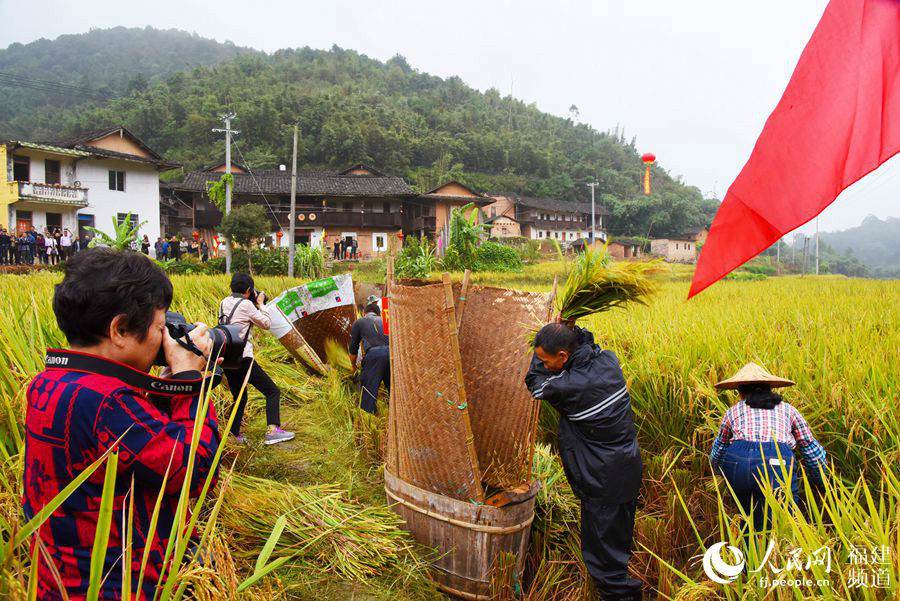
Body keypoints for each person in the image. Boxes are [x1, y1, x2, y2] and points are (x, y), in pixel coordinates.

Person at [22, 248, 220, 600]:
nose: (164, 339)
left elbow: (137, 451)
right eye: (161, 328)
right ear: (120, 329)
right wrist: (191, 377)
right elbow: (194, 470)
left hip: (58, 582)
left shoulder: (48, 383)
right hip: (120, 585)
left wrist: (163, 387)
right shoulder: (108, 400)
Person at [526, 323, 643, 601]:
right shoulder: (608, 360)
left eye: (546, 359)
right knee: (616, 537)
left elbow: (536, 384)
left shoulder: (572, 386)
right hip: (625, 466)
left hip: (602, 477)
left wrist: (545, 336)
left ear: (564, 356)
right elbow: (587, 342)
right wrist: (567, 329)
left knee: (603, 555)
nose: (544, 364)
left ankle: (623, 596)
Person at [710, 363, 827, 532]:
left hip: (737, 462)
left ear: (740, 392)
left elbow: (719, 449)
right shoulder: (789, 410)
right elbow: (809, 448)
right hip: (775, 460)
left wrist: (719, 472)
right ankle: (777, 555)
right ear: (769, 389)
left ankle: (751, 554)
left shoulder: (732, 411)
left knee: (747, 517)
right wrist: (822, 480)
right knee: (782, 523)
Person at [219, 273, 294, 445]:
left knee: (239, 397)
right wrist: (260, 304)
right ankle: (273, 430)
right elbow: (266, 324)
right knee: (272, 391)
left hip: (228, 358)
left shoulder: (224, 302)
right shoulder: (247, 304)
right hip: (244, 358)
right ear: (248, 290)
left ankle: (233, 435)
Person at [349, 295, 390, 414]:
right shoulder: (385, 321)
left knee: (368, 391)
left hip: (375, 355)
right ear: (378, 313)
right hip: (392, 355)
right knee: (393, 391)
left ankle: (368, 419)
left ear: (364, 312)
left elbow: (353, 349)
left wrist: (353, 366)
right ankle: (397, 415)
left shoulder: (359, 322)